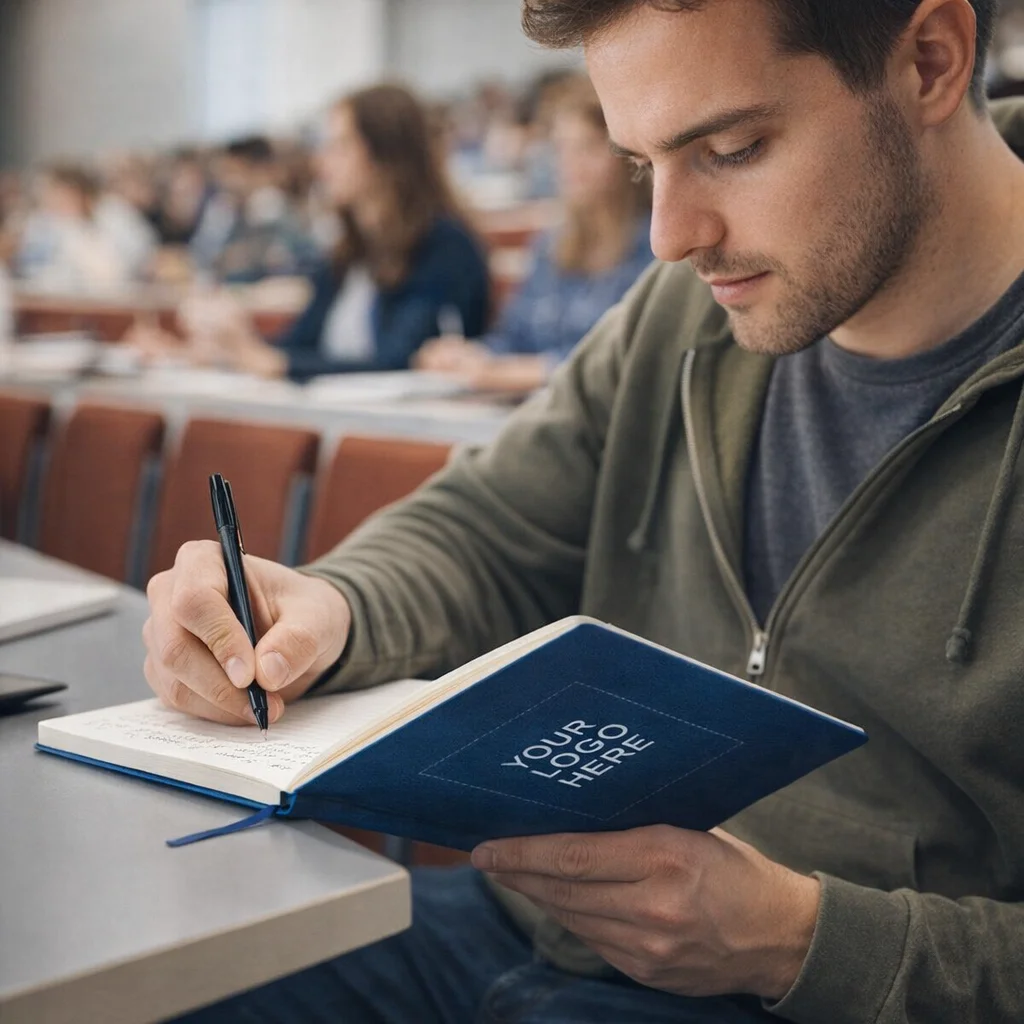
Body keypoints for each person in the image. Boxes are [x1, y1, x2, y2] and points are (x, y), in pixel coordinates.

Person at [146, 0, 1024, 1020]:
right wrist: (328, 611)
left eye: (732, 148)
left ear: (927, 60)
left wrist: (801, 938)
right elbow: (485, 527)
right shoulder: (688, 309)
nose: (668, 238)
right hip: (526, 928)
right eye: (645, 166)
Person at [167, 85, 490, 382]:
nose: (321, 162)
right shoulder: (350, 251)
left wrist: (274, 362)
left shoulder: (445, 246)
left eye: (339, 145)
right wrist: (229, 348)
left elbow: (401, 360)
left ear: (385, 154)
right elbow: (299, 343)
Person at [416, 76, 653, 396]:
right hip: (539, 410)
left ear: (630, 153)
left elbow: (634, 357)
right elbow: (513, 337)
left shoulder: (655, 245)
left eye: (589, 147)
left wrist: (527, 373)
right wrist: (470, 355)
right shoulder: (552, 243)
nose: (570, 163)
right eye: (562, 147)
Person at [188, 135, 318, 284]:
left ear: (258, 170)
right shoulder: (233, 212)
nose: (226, 181)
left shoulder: (275, 212)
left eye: (232, 171)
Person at [16, 164, 156, 290]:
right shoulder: (43, 221)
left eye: (56, 192)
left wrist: (79, 233)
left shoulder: (115, 214)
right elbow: (32, 268)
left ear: (76, 191)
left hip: (117, 301)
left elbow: (119, 271)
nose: (50, 201)